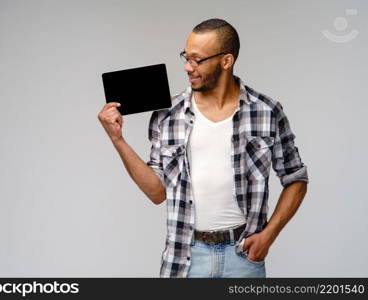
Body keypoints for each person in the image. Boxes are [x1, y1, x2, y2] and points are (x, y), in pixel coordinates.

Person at [97, 18, 309, 278]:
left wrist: (269, 235)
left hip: (243, 258)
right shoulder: (167, 115)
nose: (188, 67)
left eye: (197, 60)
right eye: (186, 57)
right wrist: (118, 140)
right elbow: (156, 193)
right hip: (185, 258)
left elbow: (296, 179)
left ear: (226, 61)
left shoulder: (267, 111)